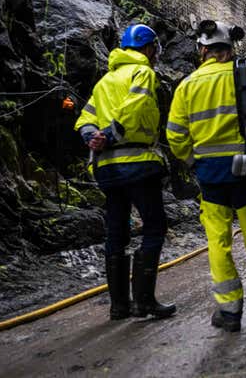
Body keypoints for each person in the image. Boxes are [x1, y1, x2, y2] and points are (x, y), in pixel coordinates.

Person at [166, 20, 246, 332]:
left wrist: (194, 161)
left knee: (218, 241)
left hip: (211, 177)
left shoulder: (187, 85)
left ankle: (230, 311)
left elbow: (175, 135)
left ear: (202, 50)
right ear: (229, 48)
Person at [74, 24, 176, 320]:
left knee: (116, 232)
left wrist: (92, 135)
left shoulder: (104, 81)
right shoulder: (143, 72)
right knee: (155, 227)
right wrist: (111, 133)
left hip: (107, 168)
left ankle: (119, 306)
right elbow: (137, 104)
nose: (156, 56)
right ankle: (145, 302)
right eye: (155, 50)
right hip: (138, 163)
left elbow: (84, 117)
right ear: (149, 48)